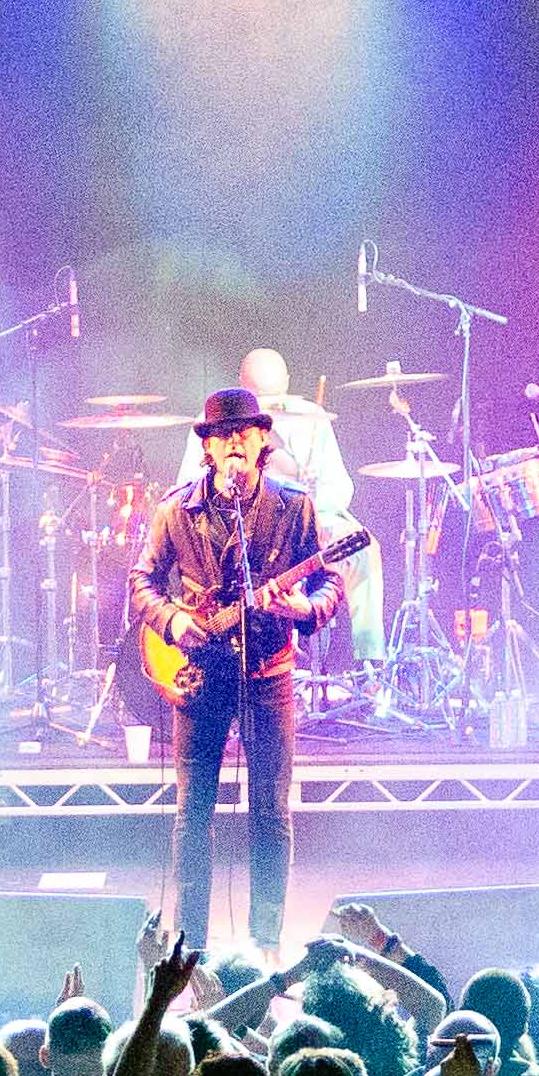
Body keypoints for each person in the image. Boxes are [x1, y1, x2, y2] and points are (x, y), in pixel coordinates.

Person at [133, 382, 343, 954]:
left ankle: (266, 944)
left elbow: (328, 582)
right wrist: (174, 621)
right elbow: (142, 582)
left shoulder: (293, 506)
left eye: (242, 434)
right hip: (200, 674)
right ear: (207, 448)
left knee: (271, 811)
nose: (231, 445)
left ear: (260, 441)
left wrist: (302, 606)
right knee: (192, 814)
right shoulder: (176, 510)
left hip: (268, 672)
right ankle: (188, 950)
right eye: (220, 436)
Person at [243, 344, 380, 656]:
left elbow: (340, 488)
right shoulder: (218, 423)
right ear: (242, 387)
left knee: (365, 548)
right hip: (247, 528)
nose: (269, 411)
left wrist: (318, 505)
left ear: (288, 384)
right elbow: (190, 489)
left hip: (310, 522)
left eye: (275, 401)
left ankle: (369, 662)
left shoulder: (311, 418)